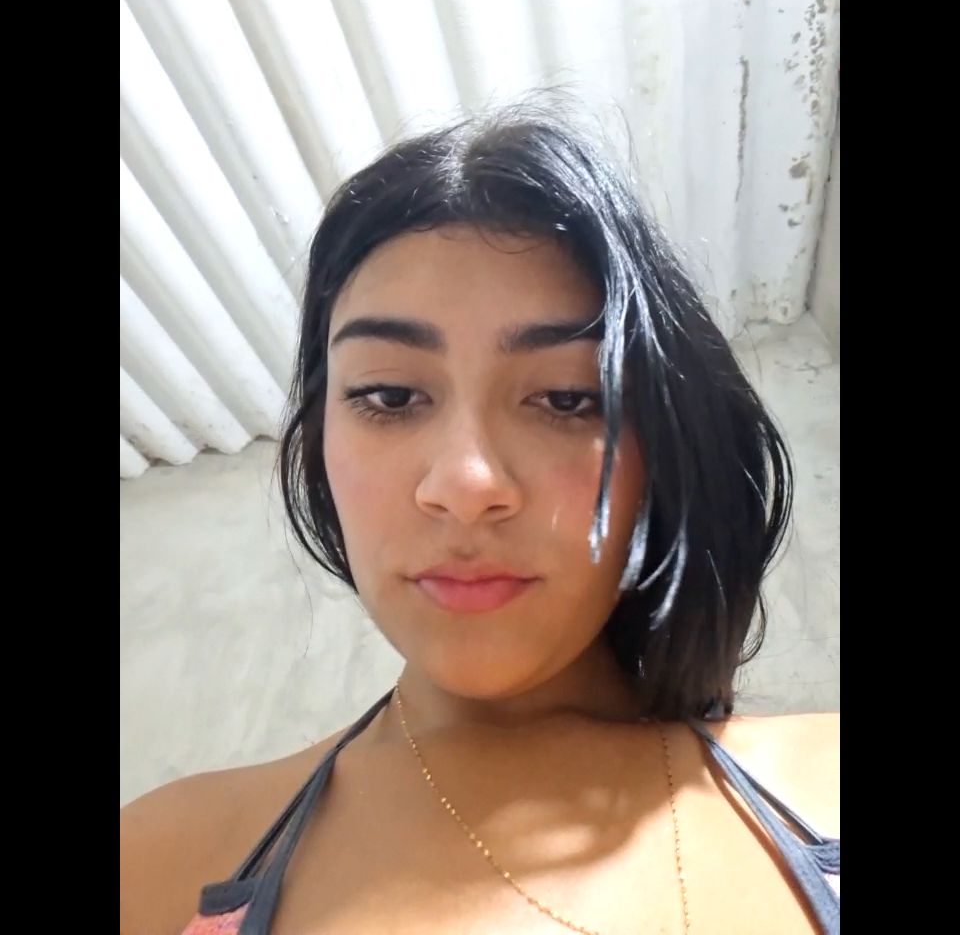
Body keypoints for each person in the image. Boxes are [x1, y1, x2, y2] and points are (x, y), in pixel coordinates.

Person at [120, 104, 839, 935]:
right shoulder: (164, 857)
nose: (465, 484)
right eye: (390, 396)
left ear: (662, 456)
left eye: (566, 399)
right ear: (319, 446)